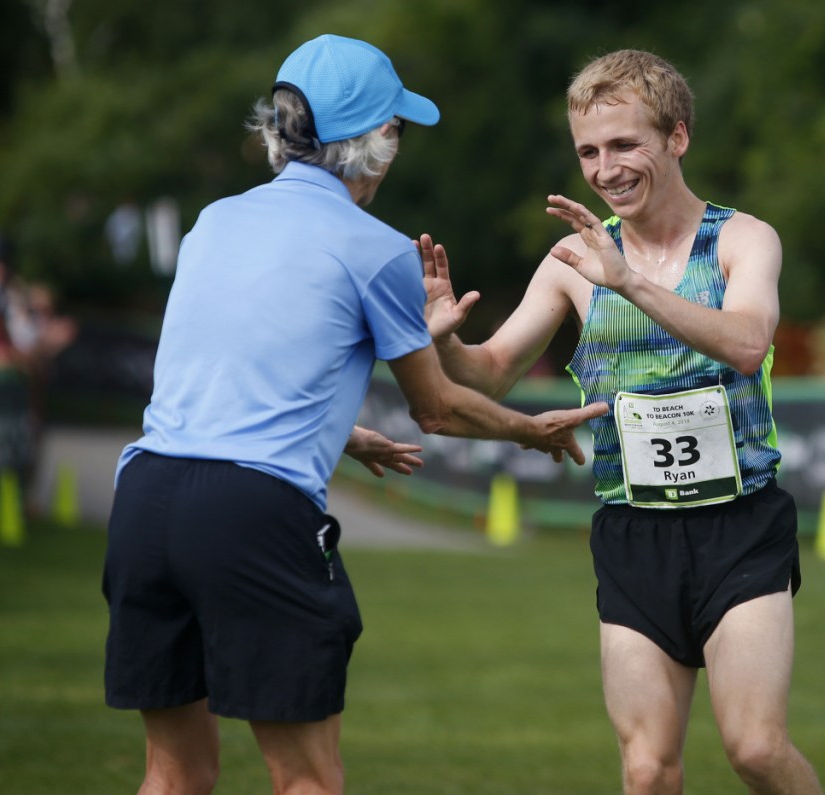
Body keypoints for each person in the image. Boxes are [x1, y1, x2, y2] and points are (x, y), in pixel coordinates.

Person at [101, 34, 607, 795]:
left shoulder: (213, 222)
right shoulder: (376, 248)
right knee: (307, 777)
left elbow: (227, 385)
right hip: (252, 517)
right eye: (395, 131)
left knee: (173, 775)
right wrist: (532, 430)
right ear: (376, 144)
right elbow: (435, 408)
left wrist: (339, 435)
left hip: (144, 502)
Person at [422, 49, 823, 794]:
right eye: (588, 151)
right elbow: (488, 372)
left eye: (624, 144)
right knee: (646, 770)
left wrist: (629, 281)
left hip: (739, 525)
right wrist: (443, 337)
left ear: (677, 137)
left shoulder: (741, 240)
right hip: (633, 532)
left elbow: (746, 343)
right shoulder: (573, 259)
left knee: (756, 748)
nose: (605, 168)